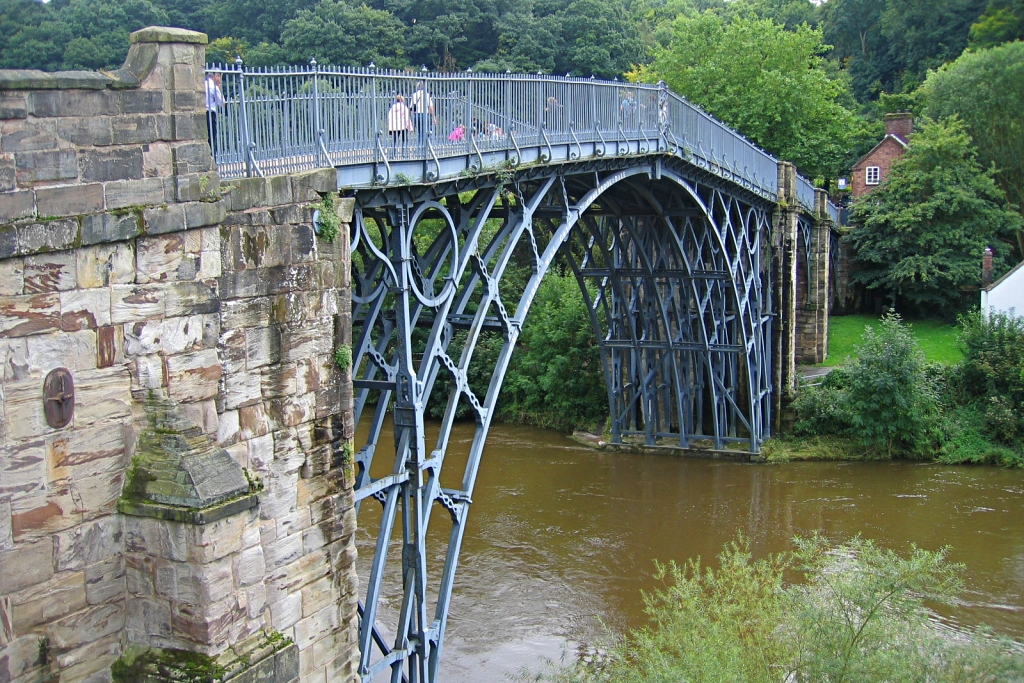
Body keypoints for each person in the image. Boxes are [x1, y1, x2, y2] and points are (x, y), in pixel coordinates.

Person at [410, 80, 435, 146]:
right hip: (425, 114)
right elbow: (430, 107)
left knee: (419, 132)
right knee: (426, 131)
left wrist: (412, 119)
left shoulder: (414, 95)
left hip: (417, 115)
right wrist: (433, 117)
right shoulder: (426, 95)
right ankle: (425, 146)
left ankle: (419, 146)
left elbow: (412, 108)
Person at [205, 73, 225, 154]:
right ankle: (212, 160)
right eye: (219, 77)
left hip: (202, 114)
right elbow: (222, 103)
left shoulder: (203, 84)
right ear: (216, 76)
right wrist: (219, 89)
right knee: (212, 139)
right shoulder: (214, 87)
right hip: (210, 113)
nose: (220, 79)